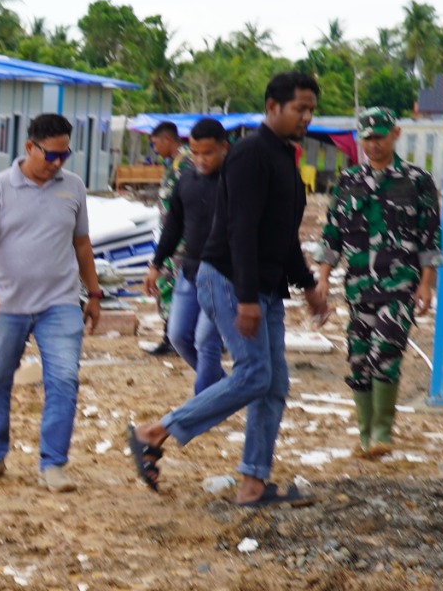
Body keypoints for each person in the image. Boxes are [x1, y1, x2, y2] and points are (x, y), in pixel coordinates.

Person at [129, 73, 333, 505]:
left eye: (311, 109)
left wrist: (309, 285)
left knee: (274, 384)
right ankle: (154, 432)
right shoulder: (249, 155)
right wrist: (244, 297)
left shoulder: (284, 158)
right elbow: (241, 229)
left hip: (267, 286)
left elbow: (283, 234)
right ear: (273, 107)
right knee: (254, 374)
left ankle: (253, 485)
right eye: (300, 108)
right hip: (229, 280)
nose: (307, 116)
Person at [0, 113, 104, 492]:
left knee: (64, 379)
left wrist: (93, 294)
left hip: (59, 303)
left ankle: (53, 464)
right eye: (50, 155)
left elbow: (82, 245)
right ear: (30, 147)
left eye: (65, 155)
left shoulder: (72, 187)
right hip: (6, 304)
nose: (58, 163)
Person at [319, 108, 441, 457]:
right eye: (367, 138)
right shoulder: (348, 181)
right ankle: (366, 434)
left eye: (380, 137)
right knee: (359, 359)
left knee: (386, 353)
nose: (373, 144)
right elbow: (332, 233)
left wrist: (426, 283)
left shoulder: (416, 181)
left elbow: (429, 235)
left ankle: (382, 433)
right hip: (358, 286)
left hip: (399, 284)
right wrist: (323, 279)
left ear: (395, 134)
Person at [150, 118, 232, 395]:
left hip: (223, 272)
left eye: (207, 153)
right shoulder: (186, 179)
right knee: (178, 336)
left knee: (205, 341)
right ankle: (226, 388)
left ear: (224, 148)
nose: (200, 159)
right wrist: (156, 263)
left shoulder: (235, 182)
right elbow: (173, 225)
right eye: (195, 152)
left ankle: (202, 403)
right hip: (190, 269)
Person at [142, 121, 186, 354]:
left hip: (183, 241)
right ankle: (171, 337)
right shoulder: (175, 164)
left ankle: (173, 339)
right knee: (169, 285)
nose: (155, 148)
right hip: (173, 238)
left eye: (156, 143)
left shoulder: (185, 164)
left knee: (169, 285)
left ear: (167, 140)